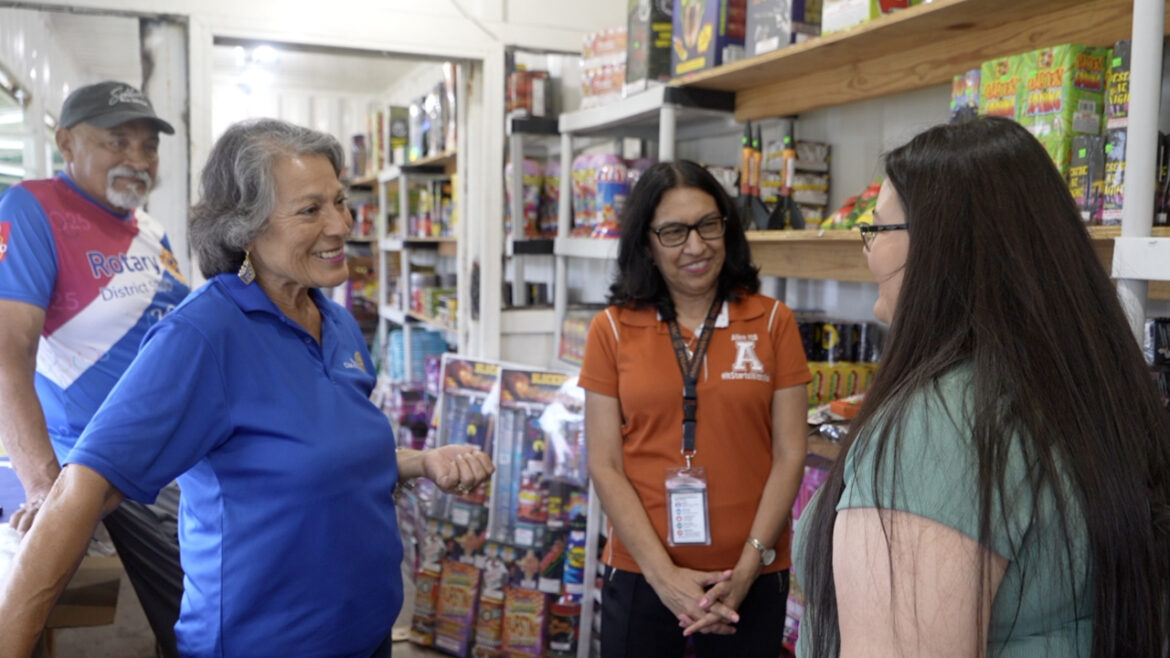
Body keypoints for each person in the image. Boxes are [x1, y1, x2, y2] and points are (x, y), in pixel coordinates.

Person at [0, 118, 495, 657]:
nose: (340, 224)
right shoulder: (204, 335)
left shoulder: (337, 323)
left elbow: (320, 458)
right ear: (245, 228)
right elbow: (83, 490)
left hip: (366, 635)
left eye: (339, 201)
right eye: (310, 210)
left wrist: (422, 462)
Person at [795, 116, 1170, 657]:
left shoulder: (936, 430)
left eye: (876, 230)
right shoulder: (1090, 388)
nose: (867, 250)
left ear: (939, 248)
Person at [579, 160, 811, 657]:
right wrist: (664, 577)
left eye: (708, 225)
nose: (696, 246)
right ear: (646, 243)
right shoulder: (611, 329)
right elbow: (605, 462)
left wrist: (747, 568)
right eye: (673, 232)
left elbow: (790, 454)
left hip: (751, 577)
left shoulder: (773, 322)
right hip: (643, 573)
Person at [0, 80, 188, 656]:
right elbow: (8, 352)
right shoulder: (32, 208)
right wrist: (44, 489)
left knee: (213, 599)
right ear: (66, 143)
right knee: (195, 603)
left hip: (173, 453)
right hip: (99, 458)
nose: (138, 158)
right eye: (117, 141)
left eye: (149, 145)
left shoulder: (150, 230)